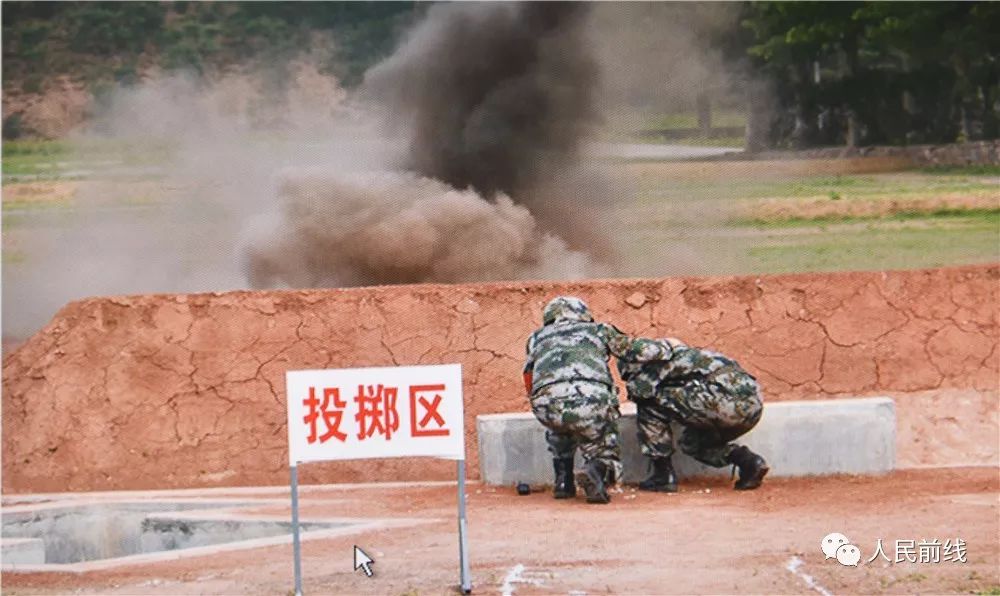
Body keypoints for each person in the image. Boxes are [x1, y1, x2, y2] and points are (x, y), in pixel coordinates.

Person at [523, 296, 669, 504]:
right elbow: (634, 350)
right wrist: (667, 349)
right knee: (603, 439)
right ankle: (595, 473)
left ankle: (563, 483)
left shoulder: (535, 338)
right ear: (583, 314)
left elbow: (528, 375)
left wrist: (539, 402)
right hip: (591, 401)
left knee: (560, 425)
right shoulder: (599, 330)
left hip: (547, 405)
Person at [618, 337, 769, 492]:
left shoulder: (665, 359)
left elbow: (639, 391)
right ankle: (749, 461)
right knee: (693, 443)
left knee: (648, 403)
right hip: (754, 408)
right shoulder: (703, 356)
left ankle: (663, 475)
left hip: (724, 404)